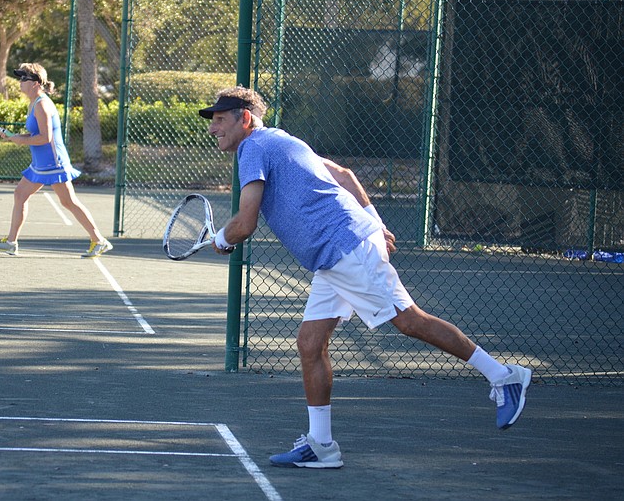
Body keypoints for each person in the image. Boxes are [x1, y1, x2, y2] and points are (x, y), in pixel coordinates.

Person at [198, 86, 531, 469]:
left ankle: (503, 376)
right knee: (310, 343)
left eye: (220, 120)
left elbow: (246, 222)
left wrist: (222, 240)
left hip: (344, 248)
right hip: (335, 253)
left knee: (409, 320)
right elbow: (343, 173)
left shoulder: (254, 148)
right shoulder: (284, 141)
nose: (213, 130)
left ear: (244, 118)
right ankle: (321, 445)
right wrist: (376, 223)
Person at [0, 63, 113, 258]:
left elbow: (46, 138)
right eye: (20, 78)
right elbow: (35, 133)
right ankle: (11, 242)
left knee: (69, 202)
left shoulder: (43, 105)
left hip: (53, 163)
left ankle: (99, 240)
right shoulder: (34, 102)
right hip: (41, 163)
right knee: (20, 194)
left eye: (24, 79)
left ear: (36, 83)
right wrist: (14, 135)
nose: (20, 82)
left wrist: (20, 140)